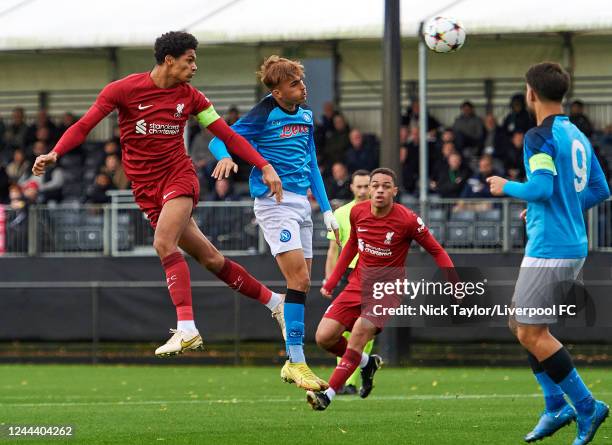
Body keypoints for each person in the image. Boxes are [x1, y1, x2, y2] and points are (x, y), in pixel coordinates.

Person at [31, 31, 286, 358]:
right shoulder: (123, 90)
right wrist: (56, 152)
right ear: (169, 60)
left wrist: (263, 165)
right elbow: (85, 125)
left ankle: (187, 328)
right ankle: (274, 301)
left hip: (179, 179)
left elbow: (228, 136)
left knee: (163, 243)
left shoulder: (192, 98)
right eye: (189, 59)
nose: (195, 66)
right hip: (145, 189)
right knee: (210, 259)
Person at [487, 62, 610, 445]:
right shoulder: (576, 133)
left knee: (530, 331)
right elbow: (599, 189)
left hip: (552, 246)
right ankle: (555, 405)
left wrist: (506, 185)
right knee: (520, 325)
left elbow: (540, 188)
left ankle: (586, 406)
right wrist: (551, 205)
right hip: (567, 240)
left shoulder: (538, 136)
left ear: (530, 93)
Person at [209, 55, 340, 391]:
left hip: (302, 205)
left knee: (303, 283)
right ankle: (296, 359)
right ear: (278, 92)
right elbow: (217, 137)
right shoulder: (264, 112)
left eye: (301, 80)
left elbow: (311, 161)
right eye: (294, 83)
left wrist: (325, 209)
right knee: (297, 278)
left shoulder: (308, 115)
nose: (302, 86)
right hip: (274, 203)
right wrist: (224, 156)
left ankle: (292, 362)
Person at [308, 168, 454, 411]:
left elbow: (437, 250)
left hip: (387, 288)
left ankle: (328, 395)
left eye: (385, 186)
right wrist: (332, 281)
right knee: (324, 337)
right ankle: (366, 363)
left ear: (394, 191)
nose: (378, 190)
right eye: (375, 185)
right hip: (357, 284)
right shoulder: (357, 212)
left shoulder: (407, 219)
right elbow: (352, 245)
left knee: (357, 334)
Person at [322, 169, 373, 396]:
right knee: (341, 331)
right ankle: (350, 374)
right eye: (359, 186)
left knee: (364, 330)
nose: (363, 191)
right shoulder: (342, 213)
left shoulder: (381, 212)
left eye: (366, 186)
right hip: (347, 274)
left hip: (371, 274)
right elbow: (334, 250)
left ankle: (349, 380)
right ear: (351, 187)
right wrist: (329, 279)